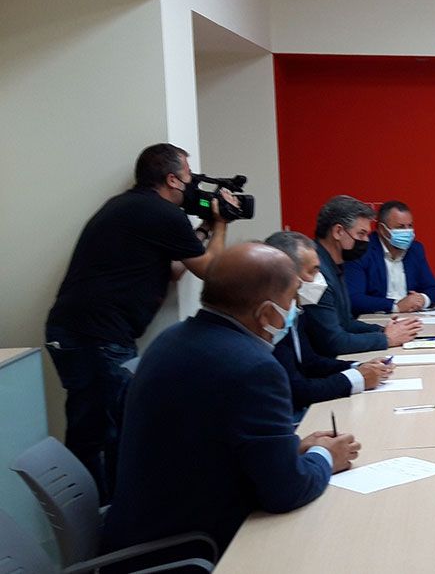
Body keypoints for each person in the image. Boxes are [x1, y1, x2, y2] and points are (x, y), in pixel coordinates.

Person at [102, 243, 360, 556]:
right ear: (265, 312)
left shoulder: (171, 338)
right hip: (193, 545)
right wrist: (325, 456)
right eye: (292, 298)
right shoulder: (254, 367)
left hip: (140, 529)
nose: (297, 308)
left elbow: (207, 442)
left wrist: (291, 447)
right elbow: (287, 491)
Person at [43, 143, 234, 500]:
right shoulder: (161, 214)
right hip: (94, 337)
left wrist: (207, 226)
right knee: (100, 435)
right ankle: (99, 530)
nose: (193, 186)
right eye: (190, 178)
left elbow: (177, 270)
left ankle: (109, 516)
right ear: (173, 179)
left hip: (85, 333)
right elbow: (212, 271)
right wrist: (221, 224)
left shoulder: (133, 208)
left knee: (106, 429)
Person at [265, 231, 394, 421]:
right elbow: (297, 390)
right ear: (285, 275)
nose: (319, 279)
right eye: (313, 271)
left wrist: (358, 367)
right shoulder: (271, 319)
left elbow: (310, 363)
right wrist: (357, 379)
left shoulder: (294, 310)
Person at [304, 195, 421, 357]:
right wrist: (386, 339)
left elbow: (345, 323)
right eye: (361, 234)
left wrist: (384, 330)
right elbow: (333, 341)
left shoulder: (334, 265)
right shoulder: (315, 273)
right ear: (338, 231)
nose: (366, 241)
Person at [345, 201, 435, 315]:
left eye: (410, 226)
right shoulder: (363, 249)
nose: (407, 232)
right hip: (375, 321)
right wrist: (396, 306)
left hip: (412, 318)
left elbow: (434, 289)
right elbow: (354, 298)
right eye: (400, 227)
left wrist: (422, 299)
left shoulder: (415, 249)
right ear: (382, 229)